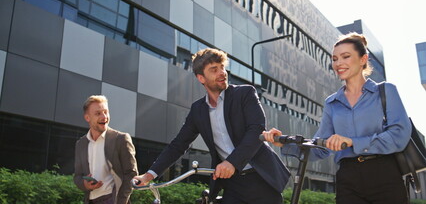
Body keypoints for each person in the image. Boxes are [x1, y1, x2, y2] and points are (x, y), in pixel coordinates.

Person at [263, 32, 412, 204]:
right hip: (348, 179)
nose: (338, 63)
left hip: (384, 174)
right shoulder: (332, 102)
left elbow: (399, 135)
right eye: (334, 59)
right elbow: (321, 147)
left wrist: (352, 141)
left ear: (363, 59)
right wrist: (284, 143)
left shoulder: (385, 91)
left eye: (345, 57)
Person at [133, 48, 290, 204]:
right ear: (201, 78)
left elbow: (256, 129)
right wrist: (148, 176)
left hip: (261, 179)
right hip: (233, 185)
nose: (222, 72)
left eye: (222, 67)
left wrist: (232, 162)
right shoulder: (198, 110)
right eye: (214, 70)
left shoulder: (244, 93)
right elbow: (178, 145)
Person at [74, 95, 138, 204]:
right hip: (90, 200)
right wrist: (85, 184)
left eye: (106, 112)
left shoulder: (121, 139)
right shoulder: (81, 144)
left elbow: (131, 174)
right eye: (98, 113)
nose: (104, 117)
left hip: (113, 199)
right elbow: (77, 176)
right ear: (87, 117)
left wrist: (120, 201)